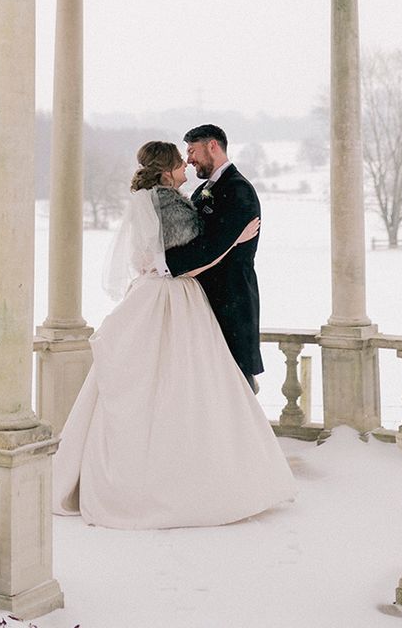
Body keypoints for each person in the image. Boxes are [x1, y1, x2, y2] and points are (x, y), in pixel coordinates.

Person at [52, 141, 295, 529]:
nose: (187, 163)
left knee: (160, 383)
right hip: (172, 295)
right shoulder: (169, 203)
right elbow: (187, 261)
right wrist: (237, 238)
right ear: (167, 170)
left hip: (157, 293)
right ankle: (186, 478)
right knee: (185, 382)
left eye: (190, 155)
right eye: (180, 160)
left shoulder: (154, 199)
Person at [164, 125, 263, 391]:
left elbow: (209, 248)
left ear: (212, 146)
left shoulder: (238, 189)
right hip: (205, 300)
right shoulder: (203, 191)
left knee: (234, 386)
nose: (189, 159)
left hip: (230, 300)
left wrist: (166, 266)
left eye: (192, 150)